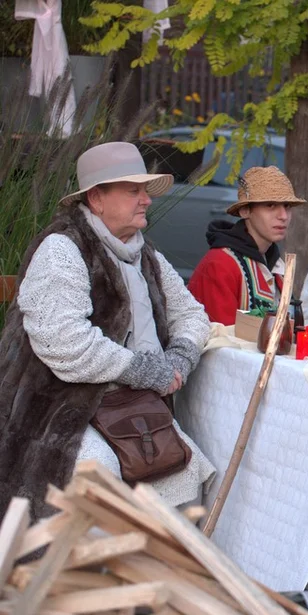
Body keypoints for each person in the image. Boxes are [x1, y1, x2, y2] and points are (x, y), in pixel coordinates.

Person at [0, 142, 213, 519]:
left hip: (128, 407)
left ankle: (158, 572)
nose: (146, 200)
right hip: (60, 408)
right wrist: (144, 369)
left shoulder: (145, 254)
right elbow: (65, 344)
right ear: (97, 198)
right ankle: (92, 573)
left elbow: (193, 315)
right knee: (97, 472)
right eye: (133, 190)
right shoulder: (62, 250)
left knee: (186, 469)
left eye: (145, 190)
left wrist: (180, 355)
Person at [187, 166, 305, 324]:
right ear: (245, 211)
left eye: (287, 206)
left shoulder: (276, 265)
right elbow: (219, 341)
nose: (283, 216)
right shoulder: (219, 264)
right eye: (270, 205)